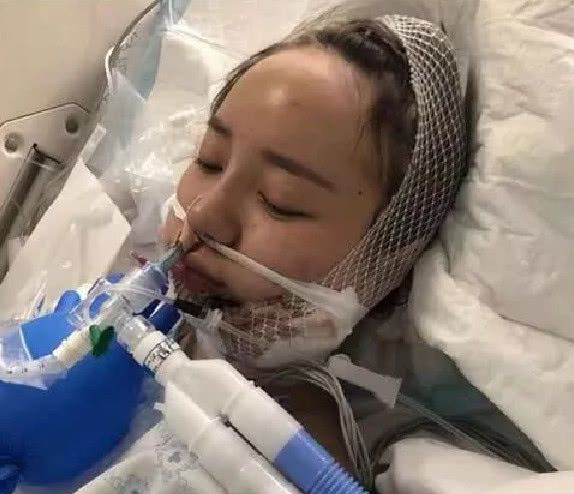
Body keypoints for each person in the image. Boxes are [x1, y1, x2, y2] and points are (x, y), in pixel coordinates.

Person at [159, 15, 464, 472]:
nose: (202, 216)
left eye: (280, 201)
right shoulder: (122, 311)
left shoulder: (299, 465)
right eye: (209, 160)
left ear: (381, 261)